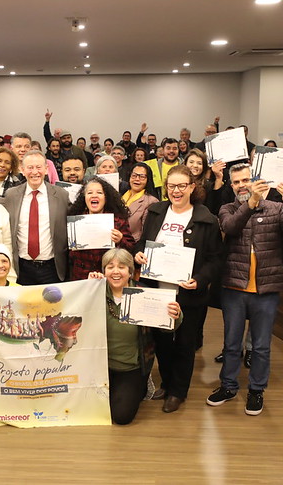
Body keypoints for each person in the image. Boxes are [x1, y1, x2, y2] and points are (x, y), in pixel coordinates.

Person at [206, 164, 283, 415]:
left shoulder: (276, 208)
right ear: (231, 185)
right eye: (237, 182)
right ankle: (228, 386)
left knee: (261, 346)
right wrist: (250, 203)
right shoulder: (227, 209)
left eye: (246, 180)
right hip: (234, 286)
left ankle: (256, 390)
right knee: (231, 343)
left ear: (257, 181)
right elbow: (231, 228)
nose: (242, 185)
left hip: (266, 288)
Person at [134, 165, 223, 413]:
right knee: (162, 342)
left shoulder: (206, 219)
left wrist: (200, 280)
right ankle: (167, 382)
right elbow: (143, 242)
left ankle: (178, 391)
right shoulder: (156, 212)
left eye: (182, 185)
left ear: (192, 187)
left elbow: (216, 259)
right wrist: (139, 253)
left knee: (184, 344)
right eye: (172, 186)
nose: (176, 191)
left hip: (188, 293)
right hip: (157, 291)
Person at [88, 249, 181, 424]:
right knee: (91, 408)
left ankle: (141, 385)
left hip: (131, 367)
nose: (116, 271)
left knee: (121, 416)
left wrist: (175, 315)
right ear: (103, 271)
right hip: (100, 366)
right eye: (110, 267)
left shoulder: (145, 294)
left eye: (122, 267)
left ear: (130, 271)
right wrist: (87, 287)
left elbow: (167, 330)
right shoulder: (95, 291)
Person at [0, 150, 70, 285]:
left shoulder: (61, 195)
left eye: (38, 167)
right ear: (22, 170)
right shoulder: (11, 195)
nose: (35, 172)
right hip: (22, 268)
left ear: (46, 169)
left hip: (52, 268)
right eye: (30, 167)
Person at [67, 177, 135, 281]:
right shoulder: (75, 221)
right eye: (90, 193)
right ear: (84, 197)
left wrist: (120, 240)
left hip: (110, 278)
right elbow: (68, 255)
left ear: (106, 197)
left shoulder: (118, 221)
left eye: (99, 192)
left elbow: (131, 250)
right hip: (82, 277)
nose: (94, 195)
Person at [122, 162, 159, 242]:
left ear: (148, 180)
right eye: (134, 175)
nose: (137, 179)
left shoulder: (152, 202)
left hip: (134, 244)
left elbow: (147, 233)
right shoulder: (121, 196)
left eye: (142, 177)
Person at [186, 148, 225, 215]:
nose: (195, 165)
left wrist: (219, 177)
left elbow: (214, 208)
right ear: (185, 163)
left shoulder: (208, 186)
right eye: (191, 162)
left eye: (199, 163)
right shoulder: (178, 181)